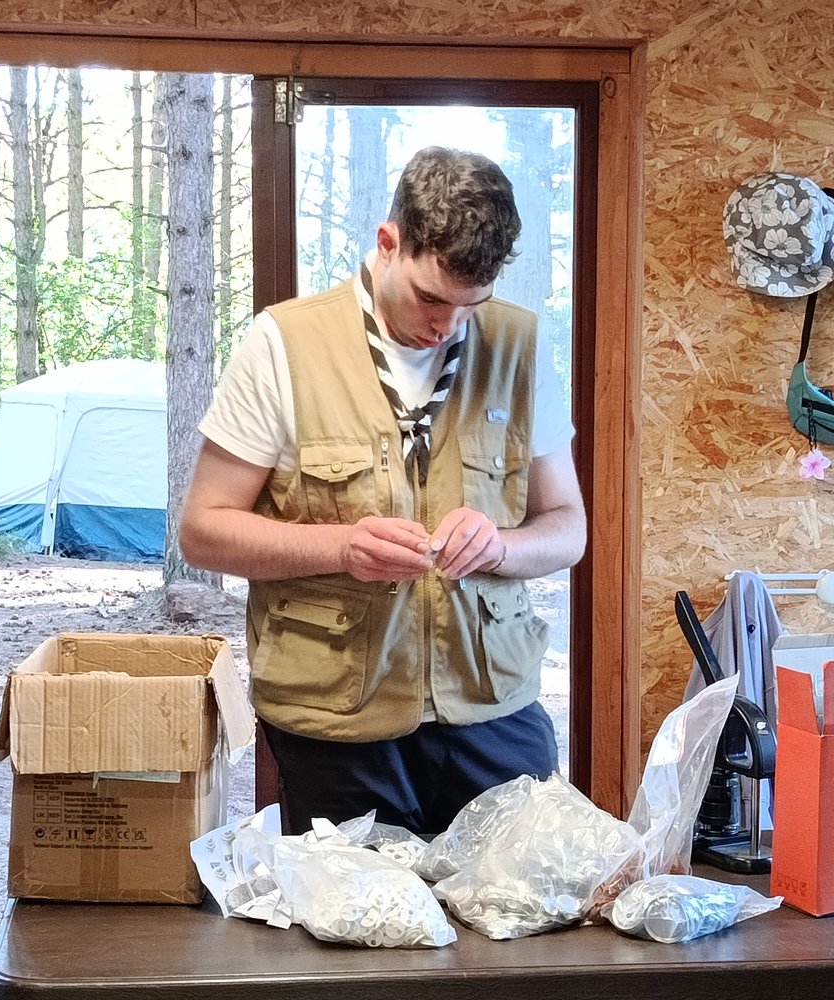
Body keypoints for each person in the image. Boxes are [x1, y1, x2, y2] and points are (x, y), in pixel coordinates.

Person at [179, 146, 586, 836]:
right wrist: (342, 547)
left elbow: (567, 527)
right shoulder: (283, 344)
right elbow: (204, 530)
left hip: (492, 707)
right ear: (388, 243)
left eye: (472, 305)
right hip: (335, 719)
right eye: (431, 298)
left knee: (518, 899)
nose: (447, 326)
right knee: (359, 907)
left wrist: (499, 546)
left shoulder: (519, 345)